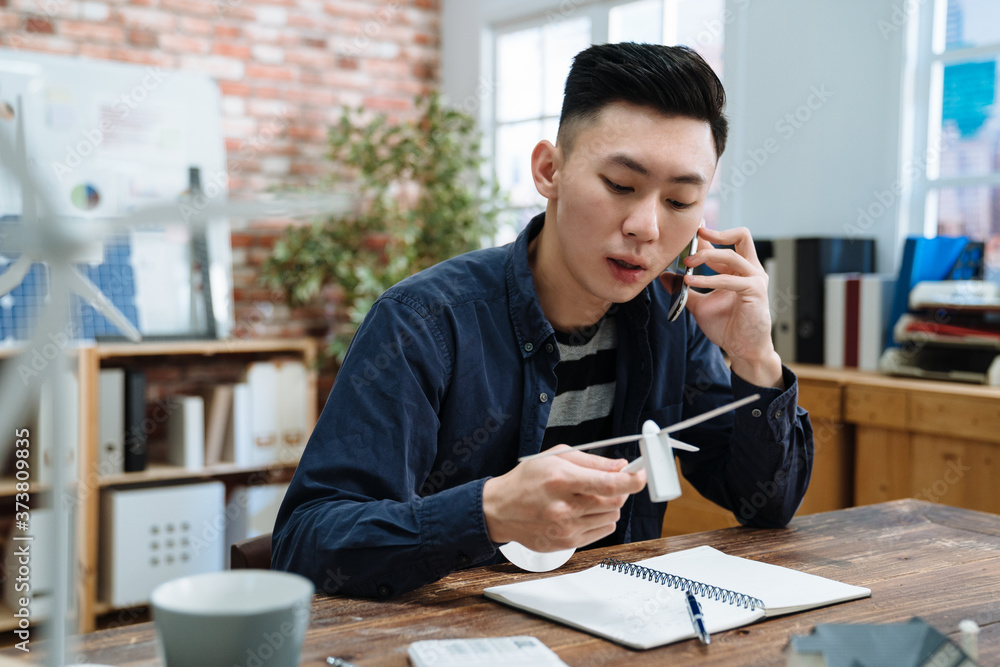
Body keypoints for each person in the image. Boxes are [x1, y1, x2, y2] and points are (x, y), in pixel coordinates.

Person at [272, 42, 814, 598]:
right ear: (549, 170)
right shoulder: (424, 323)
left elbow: (767, 504)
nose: (646, 227)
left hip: (617, 631)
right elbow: (307, 543)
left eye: (679, 202)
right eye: (621, 186)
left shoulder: (671, 316)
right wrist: (488, 513)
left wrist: (755, 357)